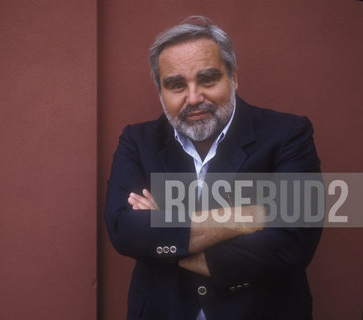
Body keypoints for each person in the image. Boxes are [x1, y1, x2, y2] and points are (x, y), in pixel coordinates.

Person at [104, 16, 322, 320]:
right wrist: (250, 215)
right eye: (177, 85)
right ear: (160, 92)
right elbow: (125, 231)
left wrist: (163, 234)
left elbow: (293, 243)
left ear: (233, 77)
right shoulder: (137, 141)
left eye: (207, 80)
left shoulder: (288, 134)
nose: (194, 98)